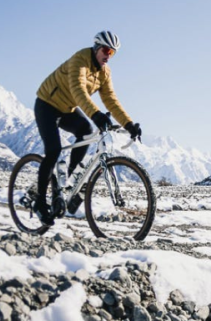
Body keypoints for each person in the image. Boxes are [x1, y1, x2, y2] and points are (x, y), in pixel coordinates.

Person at [32, 30, 143, 226]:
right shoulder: (80, 60)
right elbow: (78, 90)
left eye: (113, 53)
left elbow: (111, 100)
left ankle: (71, 182)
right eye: (107, 50)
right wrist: (96, 115)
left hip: (67, 108)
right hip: (47, 105)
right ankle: (40, 202)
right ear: (96, 47)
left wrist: (129, 124)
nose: (109, 56)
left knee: (86, 132)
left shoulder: (104, 72)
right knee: (53, 150)